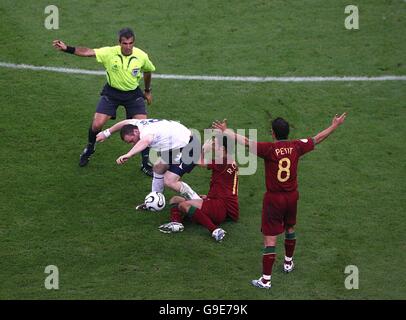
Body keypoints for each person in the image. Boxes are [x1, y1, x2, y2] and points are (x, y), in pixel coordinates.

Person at [213, 113, 347, 289]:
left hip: (274, 199)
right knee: (290, 227)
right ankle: (288, 263)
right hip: (292, 197)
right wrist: (335, 125)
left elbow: (246, 141)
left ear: (273, 134)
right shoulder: (296, 146)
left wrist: (226, 131)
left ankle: (266, 280)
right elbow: (317, 138)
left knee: (270, 239)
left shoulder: (269, 149)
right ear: (287, 132)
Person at [53, 27, 155, 176]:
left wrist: (147, 90)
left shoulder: (141, 56)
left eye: (131, 43)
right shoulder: (109, 52)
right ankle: (90, 148)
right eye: (125, 43)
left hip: (133, 94)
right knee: (97, 124)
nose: (128, 46)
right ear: (119, 42)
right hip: (112, 92)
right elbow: (88, 52)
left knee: (145, 128)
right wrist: (67, 48)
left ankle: (145, 163)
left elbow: (148, 71)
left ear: (134, 42)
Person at [96, 118, 201, 203]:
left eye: (132, 140)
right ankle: (155, 199)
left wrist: (129, 154)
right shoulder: (137, 124)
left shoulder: (146, 132)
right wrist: (106, 133)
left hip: (189, 147)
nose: (133, 143)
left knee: (169, 181)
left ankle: (197, 201)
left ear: (135, 131)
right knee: (158, 167)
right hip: (175, 146)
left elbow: (146, 141)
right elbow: (125, 122)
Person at [158, 134, 239, 242]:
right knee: (175, 200)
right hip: (219, 203)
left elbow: (198, 161)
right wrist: (208, 197)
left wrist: (204, 149)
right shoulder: (229, 161)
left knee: (183, 205)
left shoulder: (223, 161)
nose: (213, 146)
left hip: (220, 206)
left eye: (215, 145)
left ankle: (215, 230)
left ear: (222, 148)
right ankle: (177, 223)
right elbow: (225, 186)